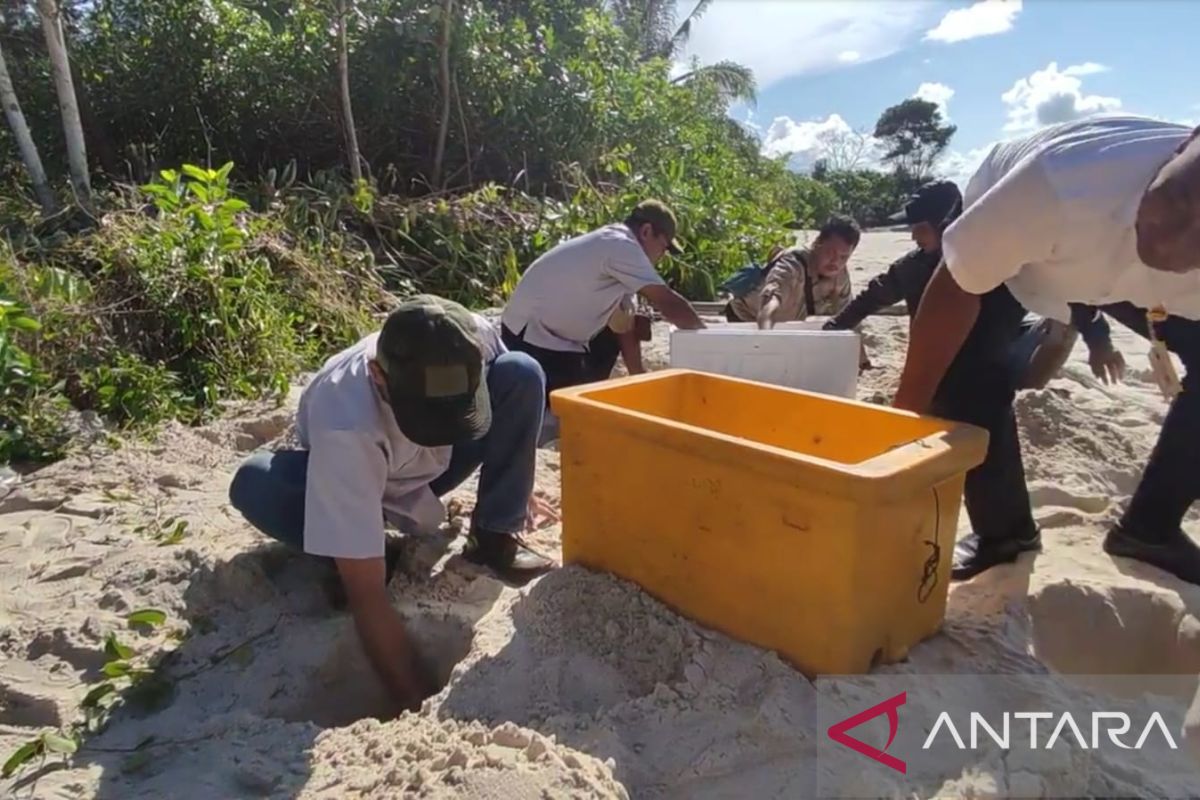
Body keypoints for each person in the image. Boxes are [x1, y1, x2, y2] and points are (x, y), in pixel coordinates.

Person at [893, 114, 1200, 586]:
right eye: (1178, 199)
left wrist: (1100, 336)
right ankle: (1005, 534)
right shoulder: (1056, 184)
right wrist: (895, 431)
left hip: (1122, 274)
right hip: (1029, 252)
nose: (1170, 237)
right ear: (1186, 146)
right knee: (965, 376)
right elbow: (954, 290)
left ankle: (1150, 530)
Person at [227, 294, 556, 712]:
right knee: (256, 483)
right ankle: (365, 549)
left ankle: (494, 538)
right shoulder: (347, 424)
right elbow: (367, 599)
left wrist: (516, 488)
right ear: (378, 376)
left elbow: (514, 398)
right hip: (358, 485)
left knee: (522, 372)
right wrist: (411, 700)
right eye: (425, 416)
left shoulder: (472, 335)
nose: (434, 430)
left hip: (435, 468)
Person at [825, 180, 1125, 390]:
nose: (914, 237)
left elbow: (1072, 292)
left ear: (948, 226)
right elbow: (872, 296)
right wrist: (832, 328)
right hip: (944, 365)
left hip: (1002, 361)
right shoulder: (913, 266)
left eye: (920, 230)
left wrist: (1101, 344)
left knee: (1061, 321)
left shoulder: (999, 258)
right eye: (912, 230)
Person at [500, 199, 705, 401]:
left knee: (617, 330)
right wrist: (709, 341)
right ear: (646, 231)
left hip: (558, 340)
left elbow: (625, 325)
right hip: (531, 337)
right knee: (574, 406)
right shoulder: (620, 246)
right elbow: (668, 302)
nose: (662, 256)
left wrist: (639, 376)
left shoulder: (620, 257)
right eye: (664, 247)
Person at [724, 216, 861, 330]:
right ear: (818, 243)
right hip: (747, 318)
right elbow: (768, 308)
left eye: (844, 257)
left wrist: (864, 362)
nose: (835, 261)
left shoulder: (839, 273)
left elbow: (848, 319)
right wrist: (766, 341)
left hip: (787, 322)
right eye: (830, 252)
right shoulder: (791, 265)